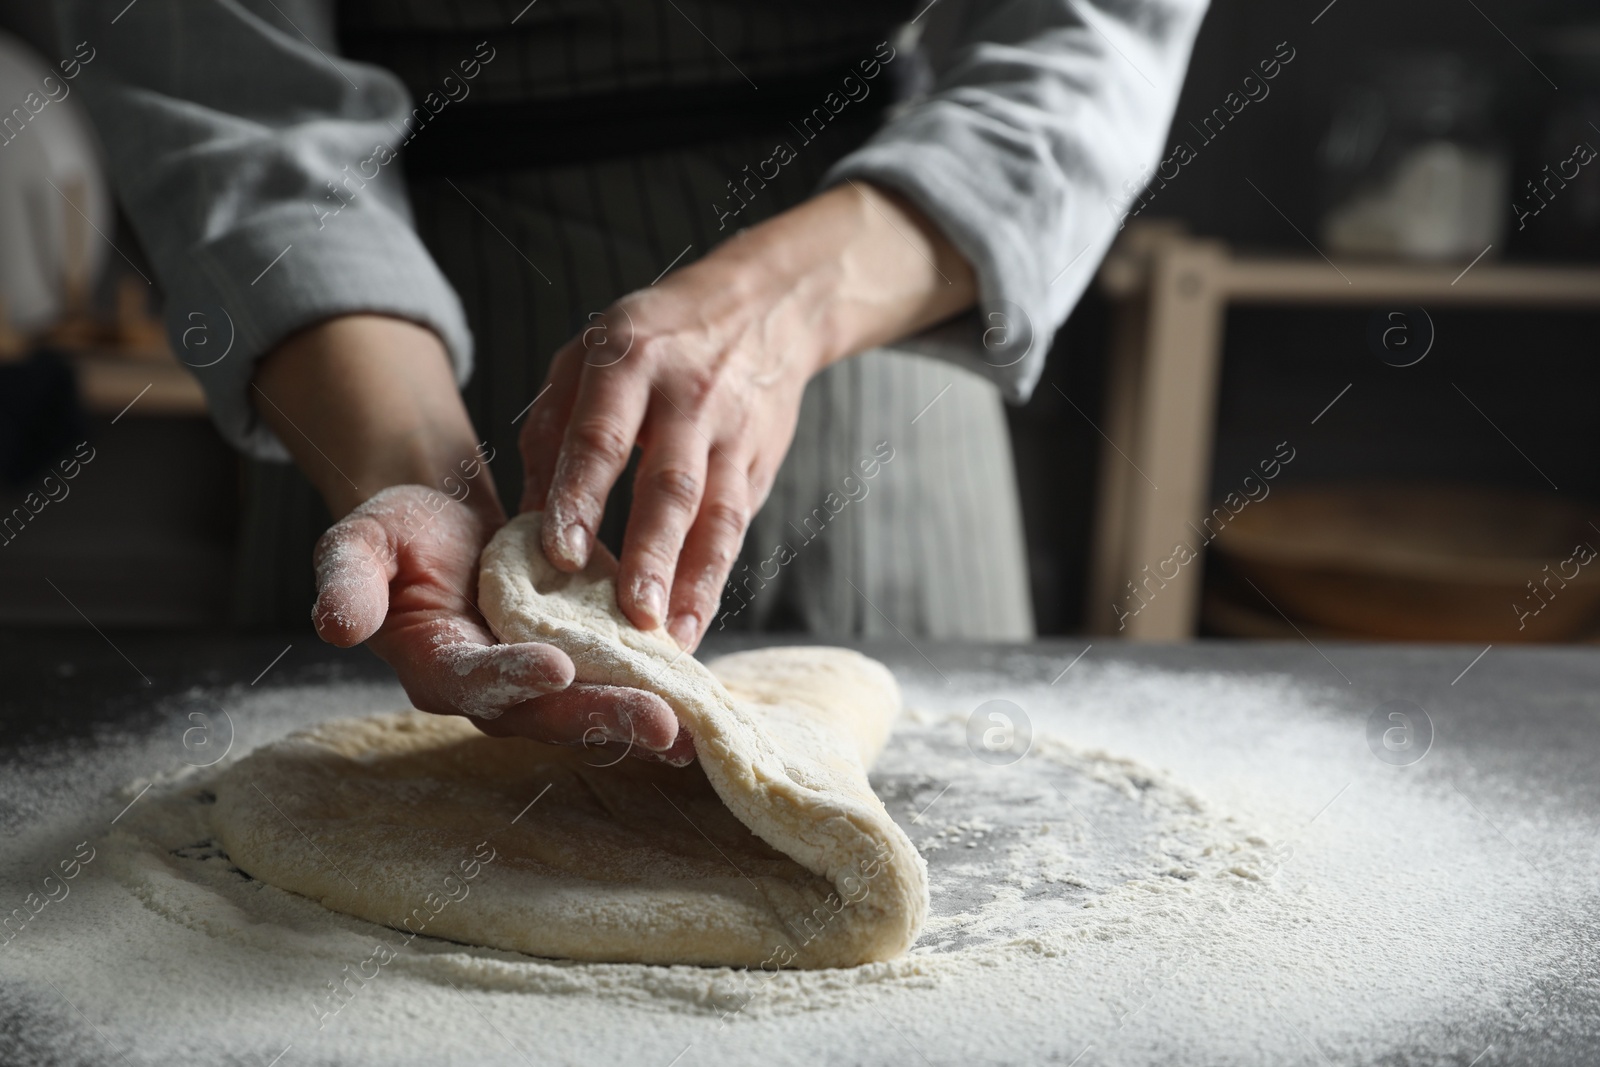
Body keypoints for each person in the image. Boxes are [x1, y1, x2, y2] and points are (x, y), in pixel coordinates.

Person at [57, 0, 1205, 759]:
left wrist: (785, 303)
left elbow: (1086, 36)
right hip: (368, 365)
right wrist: (412, 474)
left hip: (874, 325)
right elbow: (224, 102)